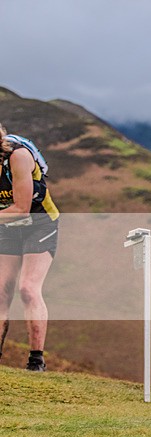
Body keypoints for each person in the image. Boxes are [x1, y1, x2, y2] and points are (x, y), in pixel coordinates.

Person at [0, 123, 59, 371]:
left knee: (27, 288)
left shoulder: (18, 156)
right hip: (7, 226)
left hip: (39, 223)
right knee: (1, 291)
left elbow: (21, 209)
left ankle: (36, 360)